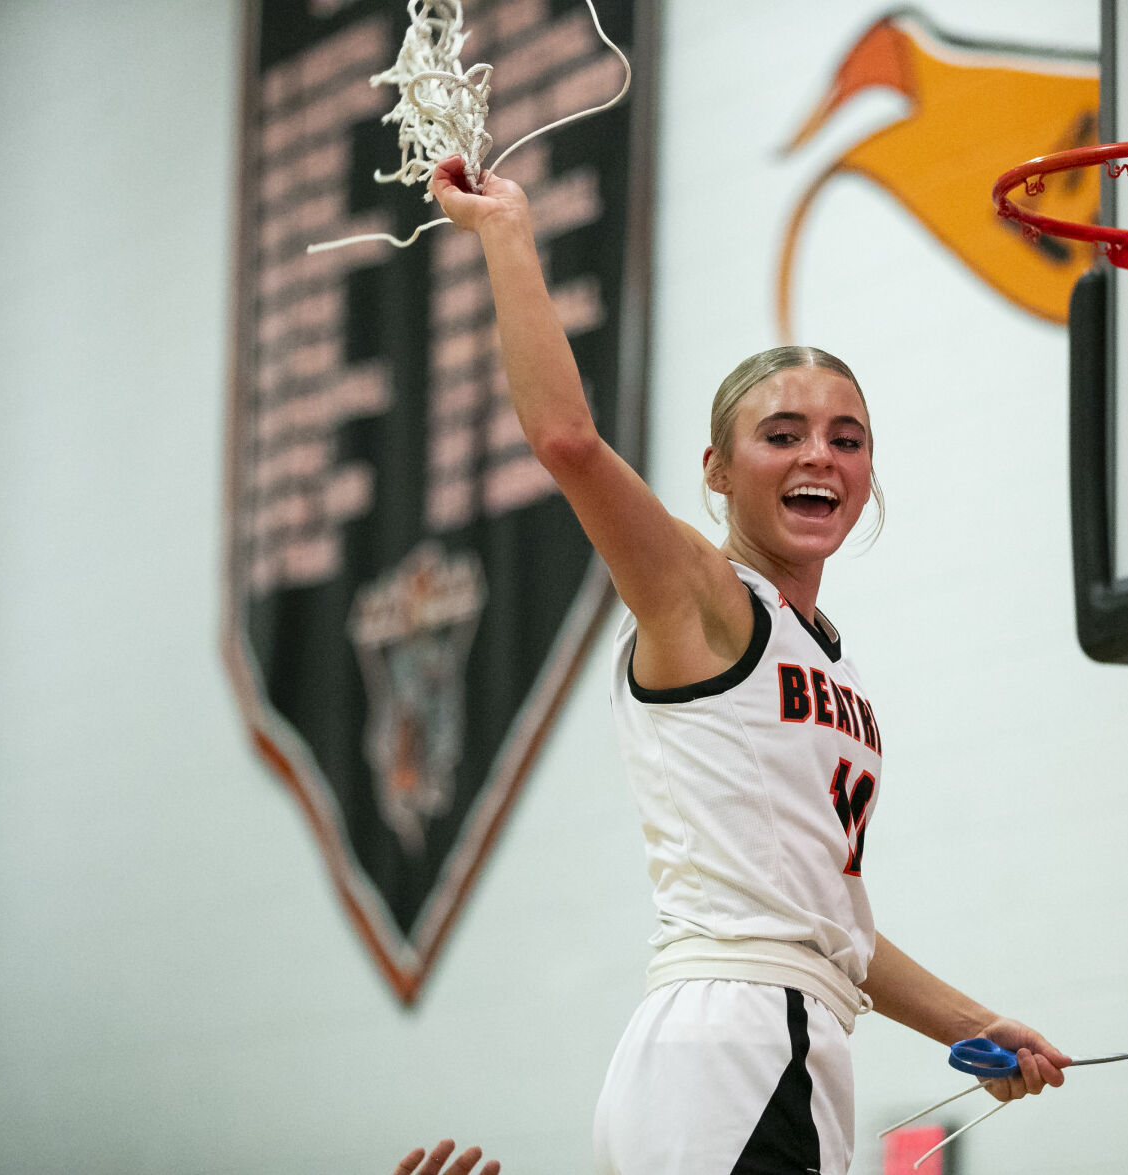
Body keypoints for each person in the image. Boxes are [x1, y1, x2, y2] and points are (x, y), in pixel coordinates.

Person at [423, 153, 1069, 1175]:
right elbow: (565, 438)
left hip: (789, 1032)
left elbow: (826, 922)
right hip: (729, 1039)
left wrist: (972, 1021)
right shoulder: (702, 593)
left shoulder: (834, 665)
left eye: (845, 437)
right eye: (782, 433)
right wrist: (507, 234)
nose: (819, 454)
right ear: (717, 471)